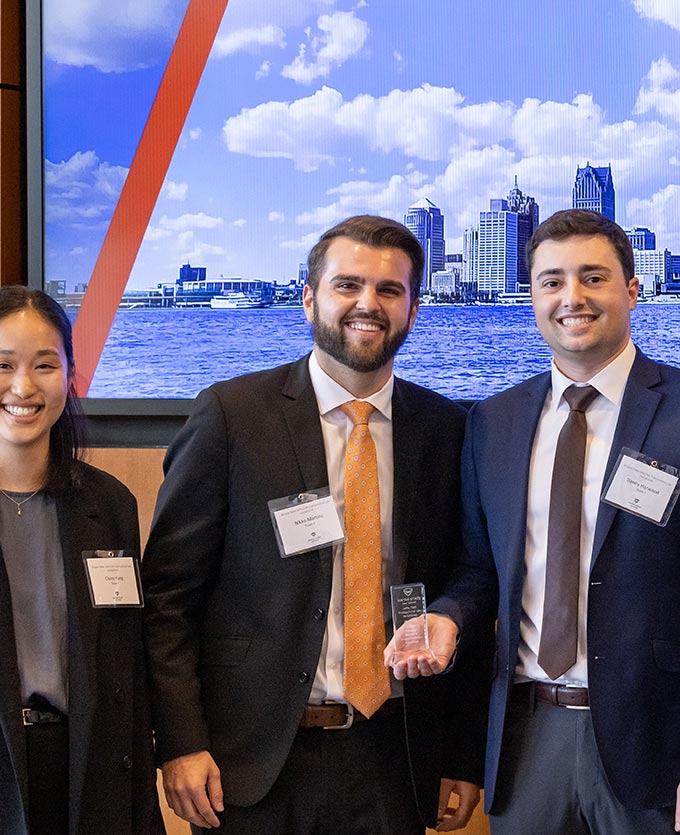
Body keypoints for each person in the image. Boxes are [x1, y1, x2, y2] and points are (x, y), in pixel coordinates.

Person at [387, 208, 680, 835]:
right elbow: (480, 568)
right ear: (531, 296)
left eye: (593, 277)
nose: (572, 298)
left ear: (632, 289)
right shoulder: (494, 421)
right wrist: (449, 615)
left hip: (661, 748)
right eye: (551, 281)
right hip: (526, 738)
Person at [141, 215, 486, 834]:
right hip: (251, 761)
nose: (367, 305)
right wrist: (179, 742)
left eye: (390, 290)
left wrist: (460, 757)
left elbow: (466, 574)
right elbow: (169, 598)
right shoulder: (232, 416)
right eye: (347, 285)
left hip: (394, 757)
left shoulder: (446, 428)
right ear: (309, 299)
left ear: (413, 309)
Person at [0, 286, 164, 835]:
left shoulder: (109, 503)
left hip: (88, 772)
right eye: (2, 365)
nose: (24, 387)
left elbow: (128, 657)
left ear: (70, 375)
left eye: (45, 365)